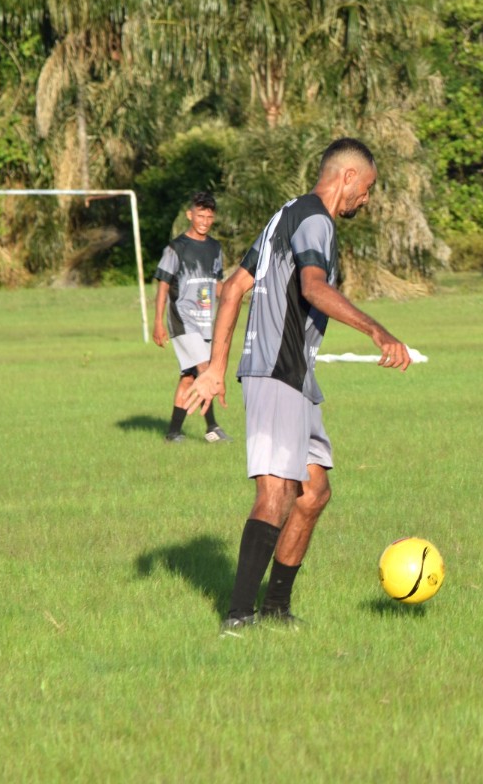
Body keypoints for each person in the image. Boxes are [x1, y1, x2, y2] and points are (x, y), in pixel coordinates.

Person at [184, 137, 411, 636]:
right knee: (277, 492)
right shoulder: (316, 219)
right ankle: (239, 618)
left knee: (314, 493)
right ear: (347, 177)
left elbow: (233, 289)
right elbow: (313, 287)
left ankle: (276, 610)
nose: (366, 200)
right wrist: (377, 329)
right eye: (367, 189)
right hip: (276, 372)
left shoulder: (282, 216)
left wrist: (218, 366)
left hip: (296, 377)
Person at [152, 191, 229, 443]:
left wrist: (236, 297)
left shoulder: (215, 248)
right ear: (190, 215)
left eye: (209, 216)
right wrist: (157, 322)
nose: (204, 221)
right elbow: (163, 285)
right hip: (182, 321)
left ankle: (173, 432)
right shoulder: (176, 248)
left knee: (189, 377)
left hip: (206, 322)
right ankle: (212, 428)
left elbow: (217, 285)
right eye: (200, 215)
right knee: (205, 370)